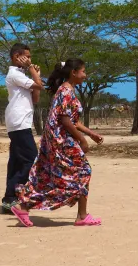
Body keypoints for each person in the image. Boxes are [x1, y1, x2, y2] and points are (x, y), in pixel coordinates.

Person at [11, 59, 104, 227]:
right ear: (73, 72)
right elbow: (65, 120)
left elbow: (73, 120)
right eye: (83, 71)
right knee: (83, 171)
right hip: (61, 140)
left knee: (49, 177)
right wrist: (81, 140)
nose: (85, 75)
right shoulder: (66, 91)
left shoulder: (66, 90)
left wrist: (91, 134)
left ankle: (23, 206)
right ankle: (82, 216)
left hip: (57, 139)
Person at [1, 43, 42, 214]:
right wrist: (33, 70)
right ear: (17, 56)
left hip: (21, 122)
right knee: (31, 159)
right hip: (19, 123)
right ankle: (14, 196)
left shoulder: (21, 75)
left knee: (17, 161)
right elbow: (40, 86)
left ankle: (9, 199)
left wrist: (35, 74)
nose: (30, 60)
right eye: (27, 56)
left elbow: (36, 98)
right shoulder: (15, 74)